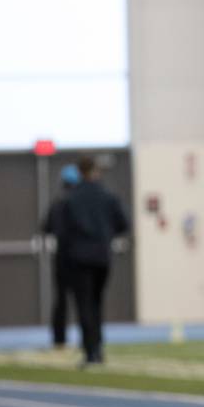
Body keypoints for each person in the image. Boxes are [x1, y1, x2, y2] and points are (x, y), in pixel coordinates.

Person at [59, 155, 129, 367]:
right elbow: (123, 224)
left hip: (79, 258)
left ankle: (90, 351)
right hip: (101, 256)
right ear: (96, 171)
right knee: (97, 302)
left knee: (84, 304)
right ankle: (98, 348)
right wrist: (105, 235)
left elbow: (63, 232)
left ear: (79, 172)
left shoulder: (71, 199)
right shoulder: (108, 196)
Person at [41, 162, 80, 346]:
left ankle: (59, 339)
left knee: (61, 300)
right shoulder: (79, 204)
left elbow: (46, 227)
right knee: (83, 300)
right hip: (80, 257)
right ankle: (88, 338)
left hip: (62, 257)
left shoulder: (57, 204)